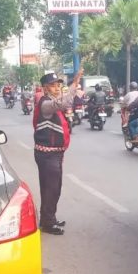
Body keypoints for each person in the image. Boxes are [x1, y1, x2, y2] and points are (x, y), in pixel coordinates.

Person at [33, 69, 83, 235]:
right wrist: (74, 84)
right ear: (45, 88)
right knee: (51, 188)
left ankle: (49, 218)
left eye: (58, 85)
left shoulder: (52, 101)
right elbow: (64, 102)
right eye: (52, 86)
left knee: (54, 188)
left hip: (55, 154)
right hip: (47, 155)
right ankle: (47, 222)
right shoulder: (46, 104)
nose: (56, 88)